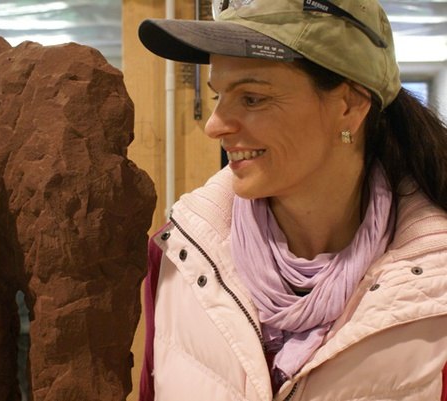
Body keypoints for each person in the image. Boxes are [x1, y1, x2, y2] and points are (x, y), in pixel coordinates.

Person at [136, 0, 447, 400]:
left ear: (349, 106)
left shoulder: (436, 284)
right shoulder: (178, 255)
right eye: (217, 97)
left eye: (252, 98)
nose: (215, 126)